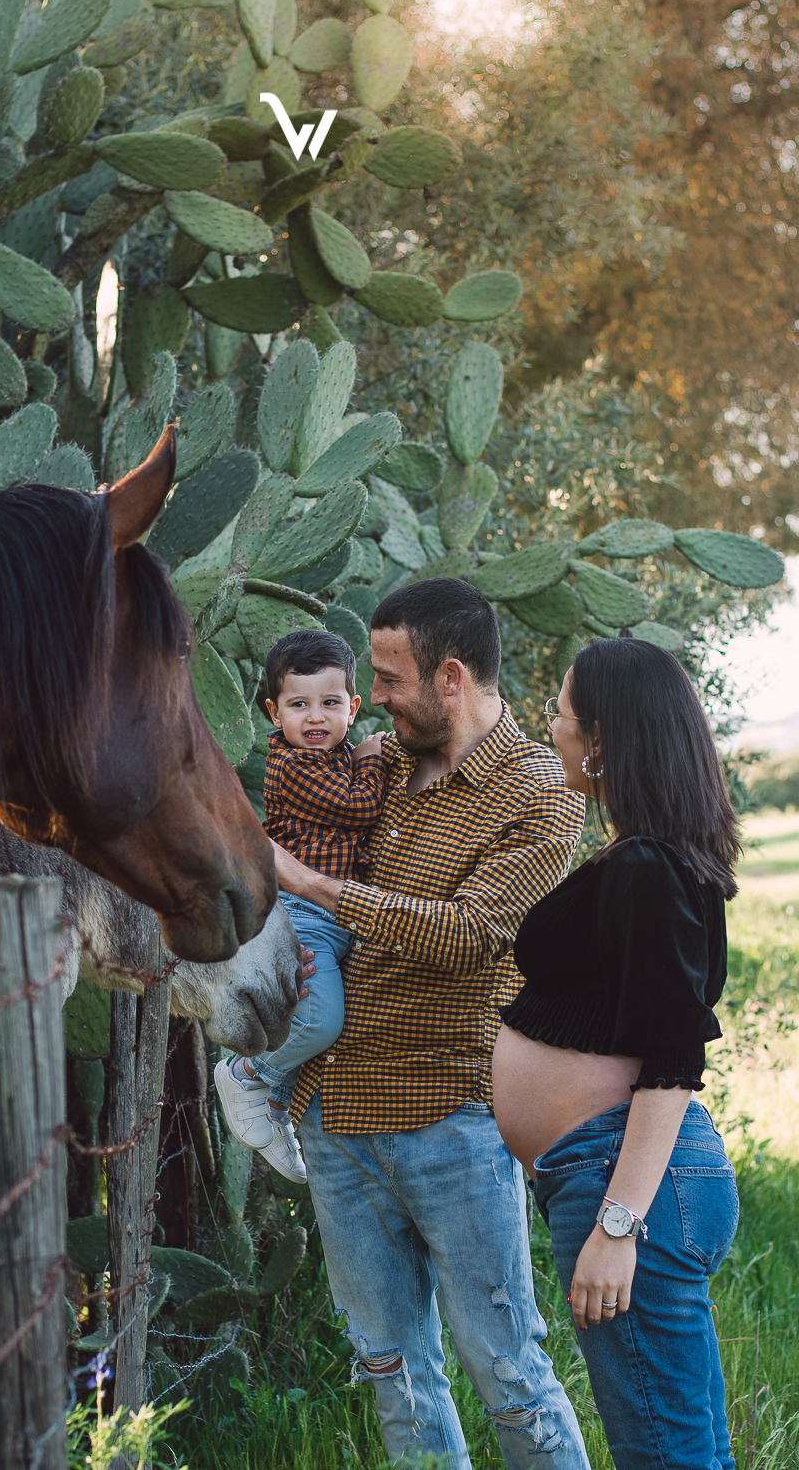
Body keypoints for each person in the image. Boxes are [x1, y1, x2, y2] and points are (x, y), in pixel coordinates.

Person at [270, 578, 592, 1470]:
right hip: (335, 1116)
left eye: (387, 676)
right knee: (393, 1372)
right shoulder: (380, 763)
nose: (370, 698)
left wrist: (311, 884)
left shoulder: (538, 793)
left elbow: (472, 936)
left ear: (450, 676)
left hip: (449, 1118)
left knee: (509, 1372)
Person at [494, 638, 741, 1470]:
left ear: (600, 738)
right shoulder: (649, 857)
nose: (550, 727)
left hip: (628, 1180)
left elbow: (672, 1056)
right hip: (627, 1174)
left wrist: (616, 1225)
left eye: (560, 713)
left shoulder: (645, 866)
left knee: (664, 1457)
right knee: (688, 1450)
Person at [216, 630, 386, 1183]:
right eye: (299, 704)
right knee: (319, 1021)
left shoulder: (332, 756)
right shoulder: (291, 764)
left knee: (320, 1021)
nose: (316, 717)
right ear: (274, 711)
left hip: (338, 916)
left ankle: (275, 1101)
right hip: (302, 911)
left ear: (352, 706)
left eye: (330, 703)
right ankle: (247, 1075)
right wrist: (373, 758)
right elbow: (358, 807)